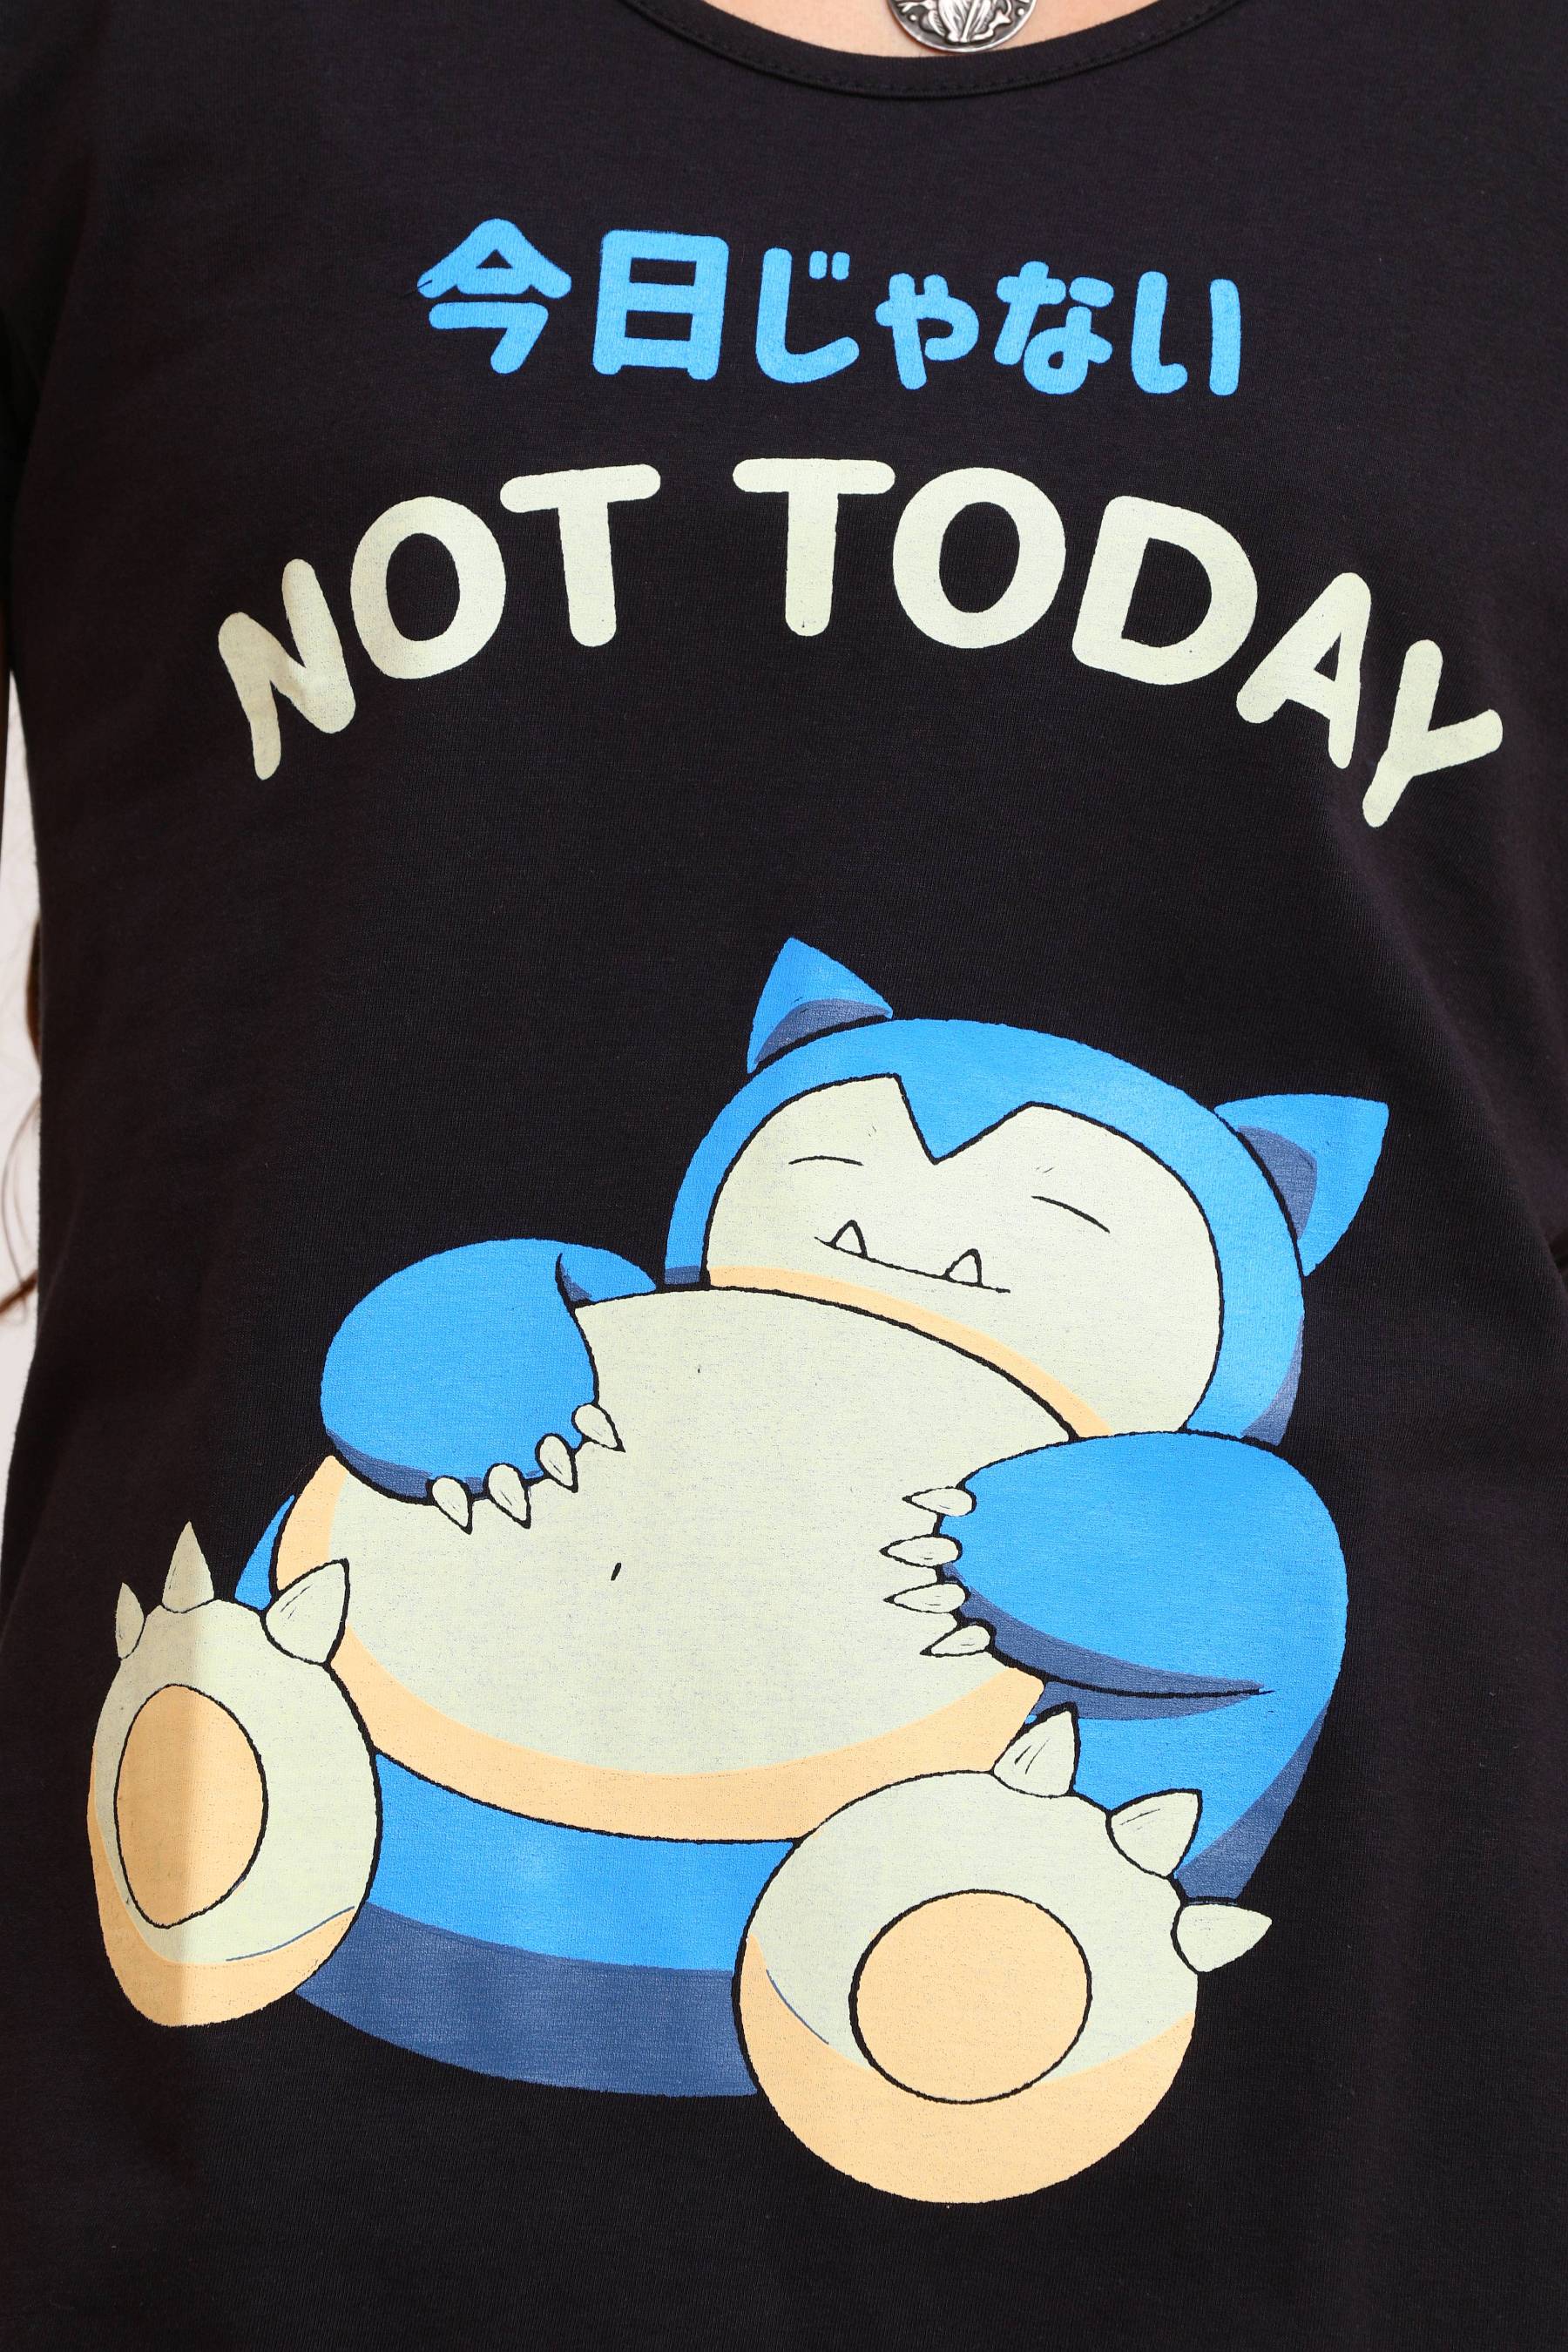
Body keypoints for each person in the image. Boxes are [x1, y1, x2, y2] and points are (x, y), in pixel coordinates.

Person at [1, 0, 1564, 2343]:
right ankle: (267, 1780)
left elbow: (1261, 1582)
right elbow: (423, 1330)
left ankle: (970, 1964)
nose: (929, 1231)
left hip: (1330, 2205)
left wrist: (1085, 1549)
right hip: (240, 2204)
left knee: (1004, 1889)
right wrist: (463, 1369)